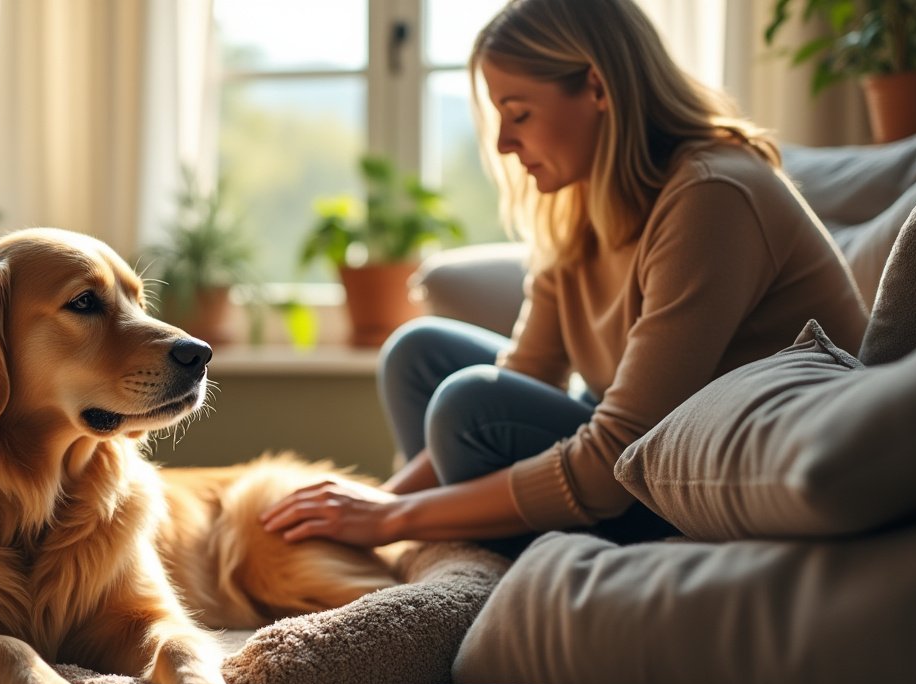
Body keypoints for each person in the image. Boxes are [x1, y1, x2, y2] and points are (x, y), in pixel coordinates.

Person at [261, 0, 869, 557]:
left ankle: (470, 549)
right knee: (419, 354)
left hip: (688, 481)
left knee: (470, 405)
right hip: (622, 437)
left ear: (598, 88)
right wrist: (373, 513)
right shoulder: (580, 206)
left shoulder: (712, 194)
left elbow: (616, 455)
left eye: (519, 113)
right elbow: (528, 372)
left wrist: (394, 519)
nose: (502, 143)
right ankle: (454, 545)